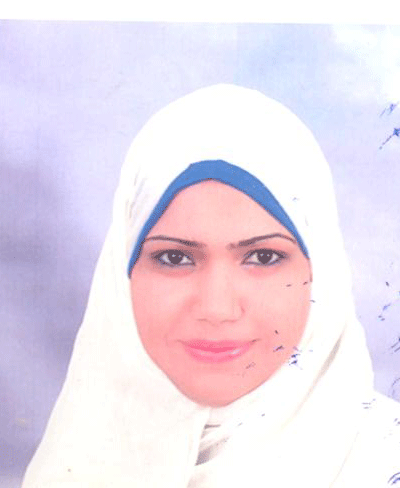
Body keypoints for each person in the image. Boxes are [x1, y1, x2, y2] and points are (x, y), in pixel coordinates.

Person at [22, 84, 400, 487]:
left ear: (320, 273)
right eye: (174, 258)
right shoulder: (72, 462)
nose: (217, 308)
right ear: (122, 274)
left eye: (263, 257)